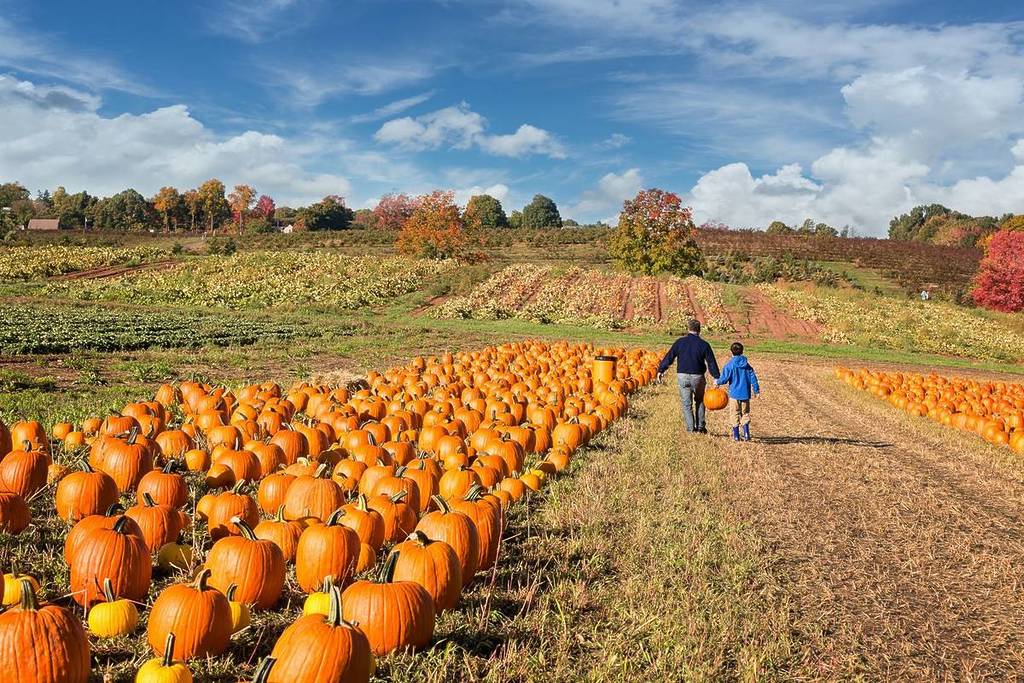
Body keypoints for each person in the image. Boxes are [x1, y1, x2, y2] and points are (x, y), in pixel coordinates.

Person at [657, 320, 721, 434]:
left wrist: (661, 370)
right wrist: (716, 377)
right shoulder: (704, 345)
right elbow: (711, 362)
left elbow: (669, 357)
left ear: (688, 329)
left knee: (687, 404)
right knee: (700, 401)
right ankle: (701, 427)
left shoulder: (679, 342)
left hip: (682, 376)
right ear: (699, 330)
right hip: (698, 377)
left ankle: (691, 429)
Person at [714, 341, 761, 442]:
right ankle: (747, 434)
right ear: (742, 351)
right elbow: (753, 378)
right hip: (745, 394)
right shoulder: (747, 365)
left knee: (734, 413)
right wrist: (756, 390)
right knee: (745, 413)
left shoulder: (730, 365)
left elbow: (725, 378)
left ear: (731, 352)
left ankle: (736, 435)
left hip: (734, 395)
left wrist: (717, 382)